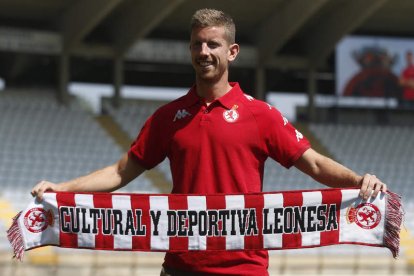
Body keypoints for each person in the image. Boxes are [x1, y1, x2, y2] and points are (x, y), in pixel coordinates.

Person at [32, 8, 387, 276]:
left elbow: (313, 163)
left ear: (231, 52)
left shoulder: (260, 114)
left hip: (243, 267)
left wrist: (358, 181)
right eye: (197, 44)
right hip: (181, 265)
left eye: (212, 44)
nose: (204, 51)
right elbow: (121, 171)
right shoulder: (168, 117)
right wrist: (62, 190)